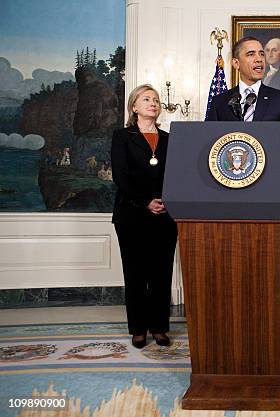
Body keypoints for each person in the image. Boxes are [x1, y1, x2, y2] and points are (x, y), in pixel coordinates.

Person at [111, 84, 178, 349]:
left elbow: (176, 175)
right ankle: (138, 328)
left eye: (156, 100)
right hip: (131, 215)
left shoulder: (169, 138)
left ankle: (160, 327)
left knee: (161, 273)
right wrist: (145, 202)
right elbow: (121, 176)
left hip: (165, 215)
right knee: (136, 274)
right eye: (146, 99)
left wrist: (163, 202)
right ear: (134, 106)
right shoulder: (122, 136)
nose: (153, 103)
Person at [206, 36, 280, 122]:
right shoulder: (219, 102)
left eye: (261, 54)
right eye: (251, 54)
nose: (259, 59)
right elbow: (211, 136)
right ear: (236, 63)